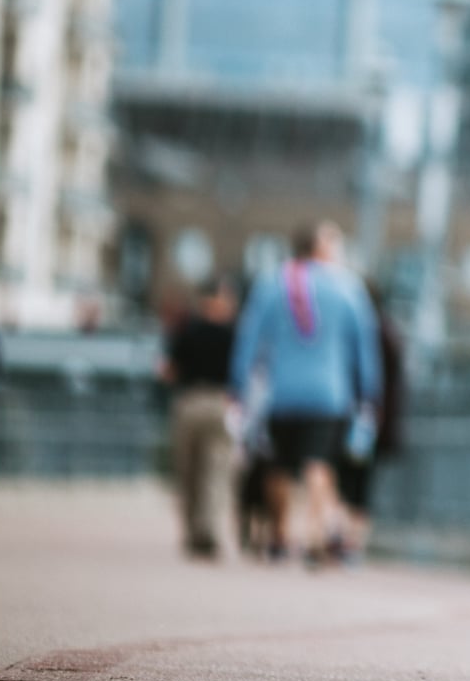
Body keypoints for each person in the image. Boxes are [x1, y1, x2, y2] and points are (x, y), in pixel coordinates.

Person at [228, 222, 380, 566]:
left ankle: (281, 536)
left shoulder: (271, 284)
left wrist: (238, 385)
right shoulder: (347, 287)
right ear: (322, 249)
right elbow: (364, 347)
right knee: (319, 464)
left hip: (281, 393)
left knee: (279, 465)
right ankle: (316, 534)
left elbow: (249, 339)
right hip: (329, 393)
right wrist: (369, 392)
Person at [159, 276, 239, 558]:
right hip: (222, 403)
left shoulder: (187, 329)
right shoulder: (235, 334)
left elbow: (168, 370)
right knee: (217, 471)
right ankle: (211, 529)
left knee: (188, 471)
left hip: (190, 401)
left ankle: (193, 531)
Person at [333, 279, 405, 563]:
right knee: (359, 485)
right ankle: (350, 543)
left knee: (351, 483)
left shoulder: (368, 334)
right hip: (371, 423)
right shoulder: (388, 333)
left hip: (360, 422)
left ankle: (346, 541)